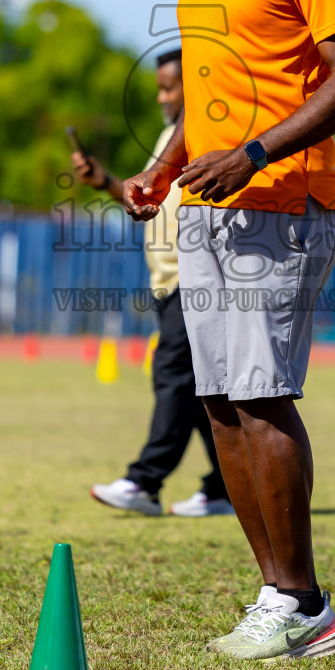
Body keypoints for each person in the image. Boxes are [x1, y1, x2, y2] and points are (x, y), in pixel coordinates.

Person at [122, 0, 335, 661]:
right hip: (207, 207)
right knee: (220, 400)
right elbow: (209, 84)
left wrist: (257, 154)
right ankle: (279, 594)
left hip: (280, 204)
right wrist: (162, 169)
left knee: (262, 396)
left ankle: (304, 600)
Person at [77, 48, 234, 518]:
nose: (163, 97)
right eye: (160, 89)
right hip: (170, 281)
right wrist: (106, 180)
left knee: (173, 377)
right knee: (202, 389)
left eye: (170, 87)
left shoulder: (206, 134)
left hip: (195, 278)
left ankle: (145, 481)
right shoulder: (172, 135)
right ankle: (225, 488)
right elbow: (151, 197)